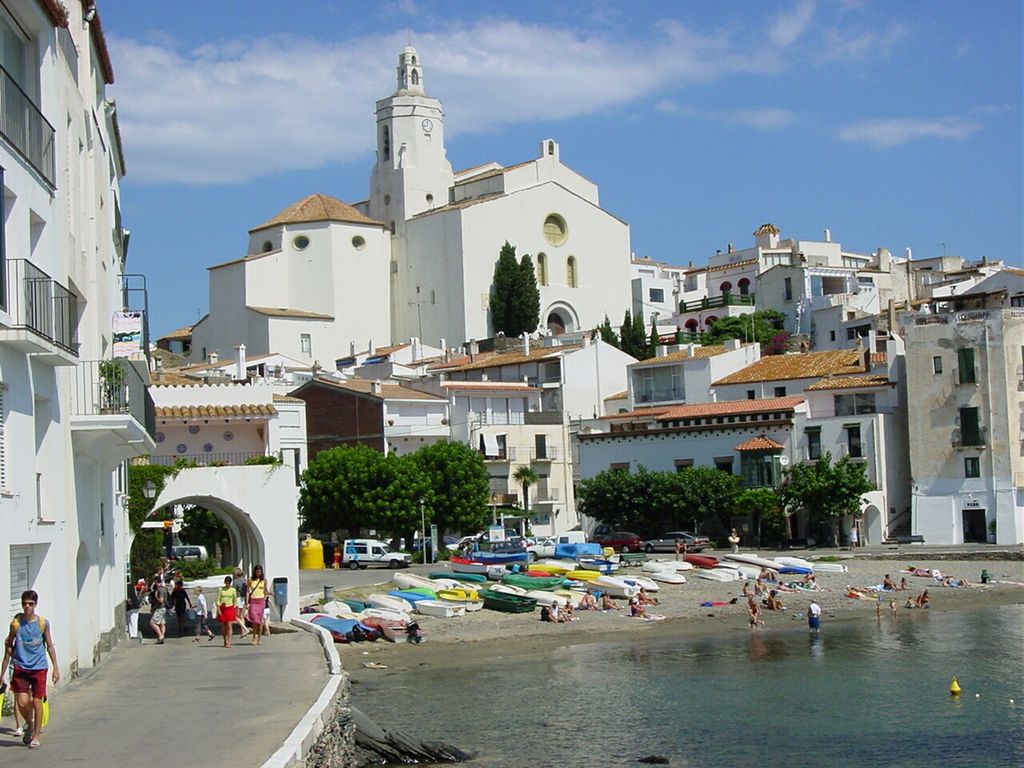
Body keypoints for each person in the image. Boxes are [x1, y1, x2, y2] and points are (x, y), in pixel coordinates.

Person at [1, 590, 59, 749]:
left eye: (30, 604)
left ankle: (36, 735)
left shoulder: (43, 623)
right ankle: (30, 724)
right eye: (25, 604)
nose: (27, 607)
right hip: (20, 667)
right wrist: (3, 672)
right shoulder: (16, 624)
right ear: (21, 604)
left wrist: (55, 668)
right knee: (21, 702)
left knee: (37, 701)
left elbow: (49, 646)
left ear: (35, 605)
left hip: (39, 667)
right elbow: (8, 648)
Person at [246, 565, 269, 646]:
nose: (258, 573)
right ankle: (254, 638)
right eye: (257, 571)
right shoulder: (250, 579)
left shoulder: (264, 580)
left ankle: (259, 638)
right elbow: (248, 591)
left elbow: (265, 591)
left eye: (260, 571)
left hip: (261, 601)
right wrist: (247, 602)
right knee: (254, 620)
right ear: (254, 571)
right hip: (253, 601)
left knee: (260, 621)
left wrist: (270, 593)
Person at [216, 576, 238, 647]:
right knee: (223, 627)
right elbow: (218, 600)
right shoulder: (221, 589)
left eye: (229, 582)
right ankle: (225, 640)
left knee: (229, 626)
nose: (227, 584)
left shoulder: (233, 590)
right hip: (222, 608)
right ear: (225, 582)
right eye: (226, 582)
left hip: (230, 608)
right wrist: (218, 608)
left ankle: (229, 641)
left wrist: (235, 609)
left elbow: (235, 600)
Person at [149, 576, 169, 644]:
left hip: (160, 608)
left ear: (156, 581)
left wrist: (156, 596)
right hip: (163, 608)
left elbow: (161, 601)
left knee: (152, 623)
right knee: (162, 623)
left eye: (154, 581)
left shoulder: (160, 590)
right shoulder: (163, 589)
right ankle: (162, 637)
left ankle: (160, 636)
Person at [231, 567, 250, 638]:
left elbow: (233, 592)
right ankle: (243, 632)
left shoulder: (236, 581)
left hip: (238, 598)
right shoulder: (244, 580)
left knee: (236, 616)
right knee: (242, 616)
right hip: (244, 599)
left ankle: (245, 629)